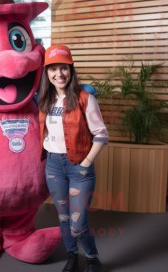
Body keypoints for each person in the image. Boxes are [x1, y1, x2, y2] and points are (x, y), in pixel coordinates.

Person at [38, 45, 109, 272]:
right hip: (53, 166)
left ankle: (92, 257)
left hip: (79, 168)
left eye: (64, 68)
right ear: (46, 73)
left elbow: (101, 135)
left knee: (78, 224)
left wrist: (86, 162)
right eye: (53, 69)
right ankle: (72, 255)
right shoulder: (43, 100)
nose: (59, 74)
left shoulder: (85, 98)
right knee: (63, 217)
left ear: (71, 69)